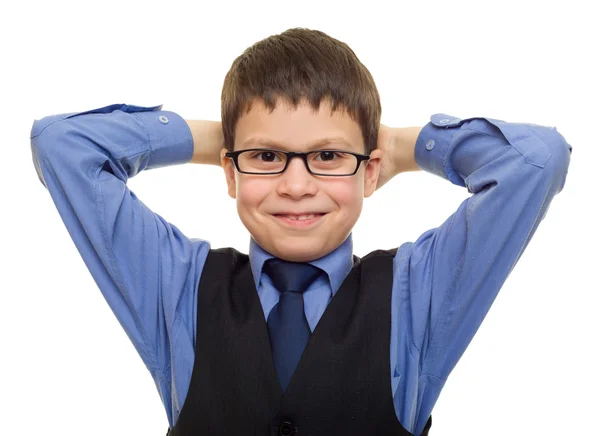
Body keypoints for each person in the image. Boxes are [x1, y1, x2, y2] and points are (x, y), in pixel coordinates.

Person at [30, 28, 572, 435]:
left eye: (327, 155)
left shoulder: (418, 294)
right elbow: (63, 146)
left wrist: (404, 148)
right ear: (229, 170)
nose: (295, 185)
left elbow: (535, 161)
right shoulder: (178, 287)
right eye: (267, 155)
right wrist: (222, 136)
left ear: (370, 169)